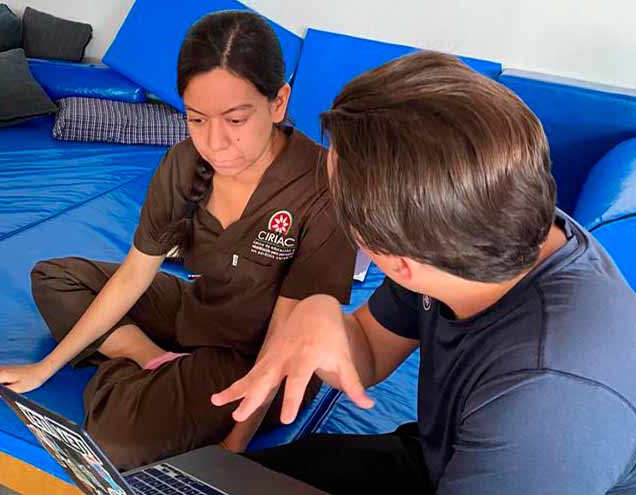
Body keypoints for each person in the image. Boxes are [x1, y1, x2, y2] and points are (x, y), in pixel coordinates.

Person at [212, 51, 636, 494]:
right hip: (448, 454)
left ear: (397, 264)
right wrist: (320, 314)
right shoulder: (469, 225)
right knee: (230, 483)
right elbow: (371, 352)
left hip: (510, 464)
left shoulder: (550, 402)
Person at [0, 11, 355, 470]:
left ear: (278, 102)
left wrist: (233, 448)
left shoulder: (322, 187)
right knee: (55, 278)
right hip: (197, 309)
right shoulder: (184, 163)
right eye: (197, 119)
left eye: (236, 119)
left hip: (255, 358)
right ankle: (146, 357)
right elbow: (136, 271)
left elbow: (288, 335)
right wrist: (43, 370)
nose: (215, 142)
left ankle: (136, 373)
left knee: (116, 441)